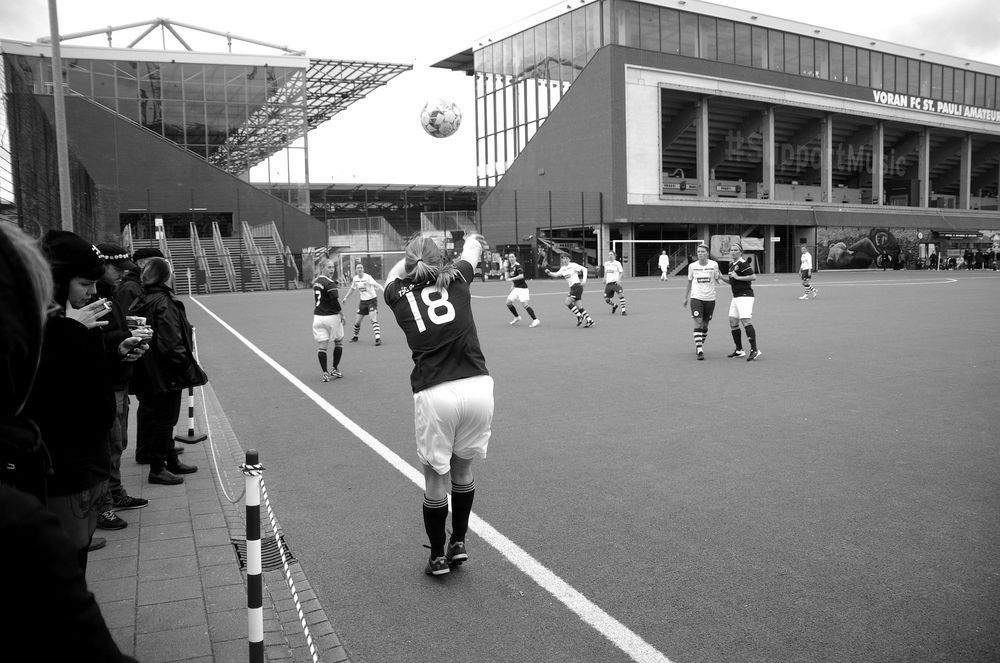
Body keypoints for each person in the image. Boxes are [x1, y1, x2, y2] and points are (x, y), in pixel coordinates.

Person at [22, 230, 148, 570]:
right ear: (58, 280)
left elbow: (89, 378)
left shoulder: (79, 319)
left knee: (78, 549)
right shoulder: (38, 328)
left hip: (88, 460)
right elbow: (41, 393)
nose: (93, 291)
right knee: (64, 557)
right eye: (84, 283)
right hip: (64, 467)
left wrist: (117, 354)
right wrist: (72, 334)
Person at [383, 233, 494, 576]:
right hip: (477, 386)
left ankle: (437, 556)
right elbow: (472, 250)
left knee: (435, 478)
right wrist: (473, 240)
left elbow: (392, 275)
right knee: (463, 471)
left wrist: (413, 259)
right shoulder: (458, 276)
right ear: (439, 259)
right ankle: (458, 542)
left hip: (435, 392)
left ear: (408, 262)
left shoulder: (395, 294)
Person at [130, 257, 207, 486]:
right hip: (165, 372)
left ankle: (170, 460)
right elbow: (172, 342)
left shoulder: (142, 298)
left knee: (159, 417)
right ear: (166, 276)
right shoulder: (163, 302)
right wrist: (185, 365)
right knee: (165, 419)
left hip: (149, 368)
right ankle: (157, 467)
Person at [94, 244, 149, 532]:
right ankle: (102, 504)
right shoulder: (92, 298)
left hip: (118, 377)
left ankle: (113, 493)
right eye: (117, 269)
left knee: (119, 443)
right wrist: (127, 335)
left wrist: (129, 332)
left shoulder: (109, 295)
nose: (122, 275)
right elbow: (99, 339)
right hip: (108, 381)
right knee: (110, 444)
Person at [720, 244, 762, 361]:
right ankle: (739, 350)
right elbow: (732, 282)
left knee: (745, 321)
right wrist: (722, 278)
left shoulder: (743, 263)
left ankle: (755, 350)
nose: (733, 252)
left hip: (745, 296)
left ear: (740, 252)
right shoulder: (732, 265)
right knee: (733, 321)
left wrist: (738, 278)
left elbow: (753, 277)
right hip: (736, 297)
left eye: (736, 250)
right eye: (731, 250)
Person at [681, 244, 723, 360]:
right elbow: (689, 282)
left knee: (705, 325)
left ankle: (700, 343)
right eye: (698, 252)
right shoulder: (692, 266)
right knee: (698, 322)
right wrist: (686, 297)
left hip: (710, 298)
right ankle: (699, 349)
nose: (700, 254)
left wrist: (719, 277)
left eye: (702, 252)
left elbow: (718, 280)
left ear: (707, 253)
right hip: (696, 297)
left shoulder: (713, 265)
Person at [312, 259, 346, 380]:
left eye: (333, 267)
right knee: (339, 341)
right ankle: (334, 369)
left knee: (322, 346)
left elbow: (323, 292)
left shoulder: (316, 282)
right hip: (330, 317)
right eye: (329, 267)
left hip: (317, 318)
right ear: (323, 268)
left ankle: (325, 373)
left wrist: (335, 283)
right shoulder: (330, 284)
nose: (332, 269)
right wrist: (342, 315)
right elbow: (335, 302)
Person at [547, 254, 595, 328]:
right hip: (573, 288)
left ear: (569, 259)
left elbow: (584, 269)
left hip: (577, 286)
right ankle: (590, 321)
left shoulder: (573, 265)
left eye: (566, 258)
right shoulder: (563, 268)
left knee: (567, 302)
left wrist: (584, 280)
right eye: (563, 258)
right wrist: (549, 273)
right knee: (579, 307)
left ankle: (579, 316)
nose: (565, 260)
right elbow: (556, 274)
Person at [344, 262, 384, 346]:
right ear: (356, 270)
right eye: (358, 268)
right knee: (357, 322)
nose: (359, 269)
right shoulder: (355, 279)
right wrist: (345, 297)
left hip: (372, 300)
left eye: (361, 268)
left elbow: (376, 284)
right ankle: (355, 337)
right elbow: (352, 289)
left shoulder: (368, 277)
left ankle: (378, 339)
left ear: (363, 269)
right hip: (363, 302)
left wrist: (384, 291)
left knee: (373, 319)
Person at [504, 252, 540, 327]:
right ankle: (517, 317)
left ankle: (535, 320)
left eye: (512, 257)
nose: (511, 258)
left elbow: (521, 276)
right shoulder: (511, 267)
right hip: (516, 288)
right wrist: (512, 285)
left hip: (523, 289)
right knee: (508, 303)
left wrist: (511, 279)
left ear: (515, 258)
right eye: (510, 257)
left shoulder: (518, 266)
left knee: (525, 305)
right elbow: (515, 277)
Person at [602, 250, 627, 315]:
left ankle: (623, 310)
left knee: (621, 295)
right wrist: (604, 278)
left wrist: (619, 279)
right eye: (609, 254)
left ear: (614, 256)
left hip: (615, 283)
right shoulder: (606, 263)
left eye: (611, 255)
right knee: (607, 300)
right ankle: (614, 305)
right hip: (609, 284)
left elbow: (621, 272)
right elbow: (605, 272)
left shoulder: (617, 263)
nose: (610, 256)